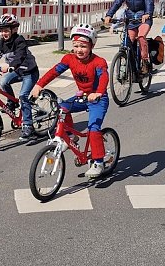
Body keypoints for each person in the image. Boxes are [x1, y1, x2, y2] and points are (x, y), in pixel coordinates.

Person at [30, 24, 109, 178]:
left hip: (98, 99)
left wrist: (98, 92)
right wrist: (39, 85)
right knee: (62, 107)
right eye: (76, 46)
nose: (79, 50)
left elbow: (104, 77)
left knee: (93, 128)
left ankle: (99, 162)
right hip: (81, 97)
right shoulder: (69, 58)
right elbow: (54, 71)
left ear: (92, 45)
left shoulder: (99, 62)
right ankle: (71, 136)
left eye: (83, 46)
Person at [0, 14, 40, 140]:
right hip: (17, 71)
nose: (3, 33)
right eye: (1, 30)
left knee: (23, 96)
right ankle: (11, 103)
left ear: (14, 29)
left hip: (29, 72)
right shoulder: (3, 43)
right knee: (4, 82)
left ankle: (28, 126)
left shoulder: (19, 41)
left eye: (6, 30)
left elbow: (19, 56)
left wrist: (11, 66)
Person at [104, 0, 155, 74]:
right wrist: (109, 15)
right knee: (128, 42)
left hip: (143, 19)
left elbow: (149, 2)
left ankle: (145, 61)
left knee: (141, 37)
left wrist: (147, 14)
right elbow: (117, 2)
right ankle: (131, 66)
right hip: (131, 19)